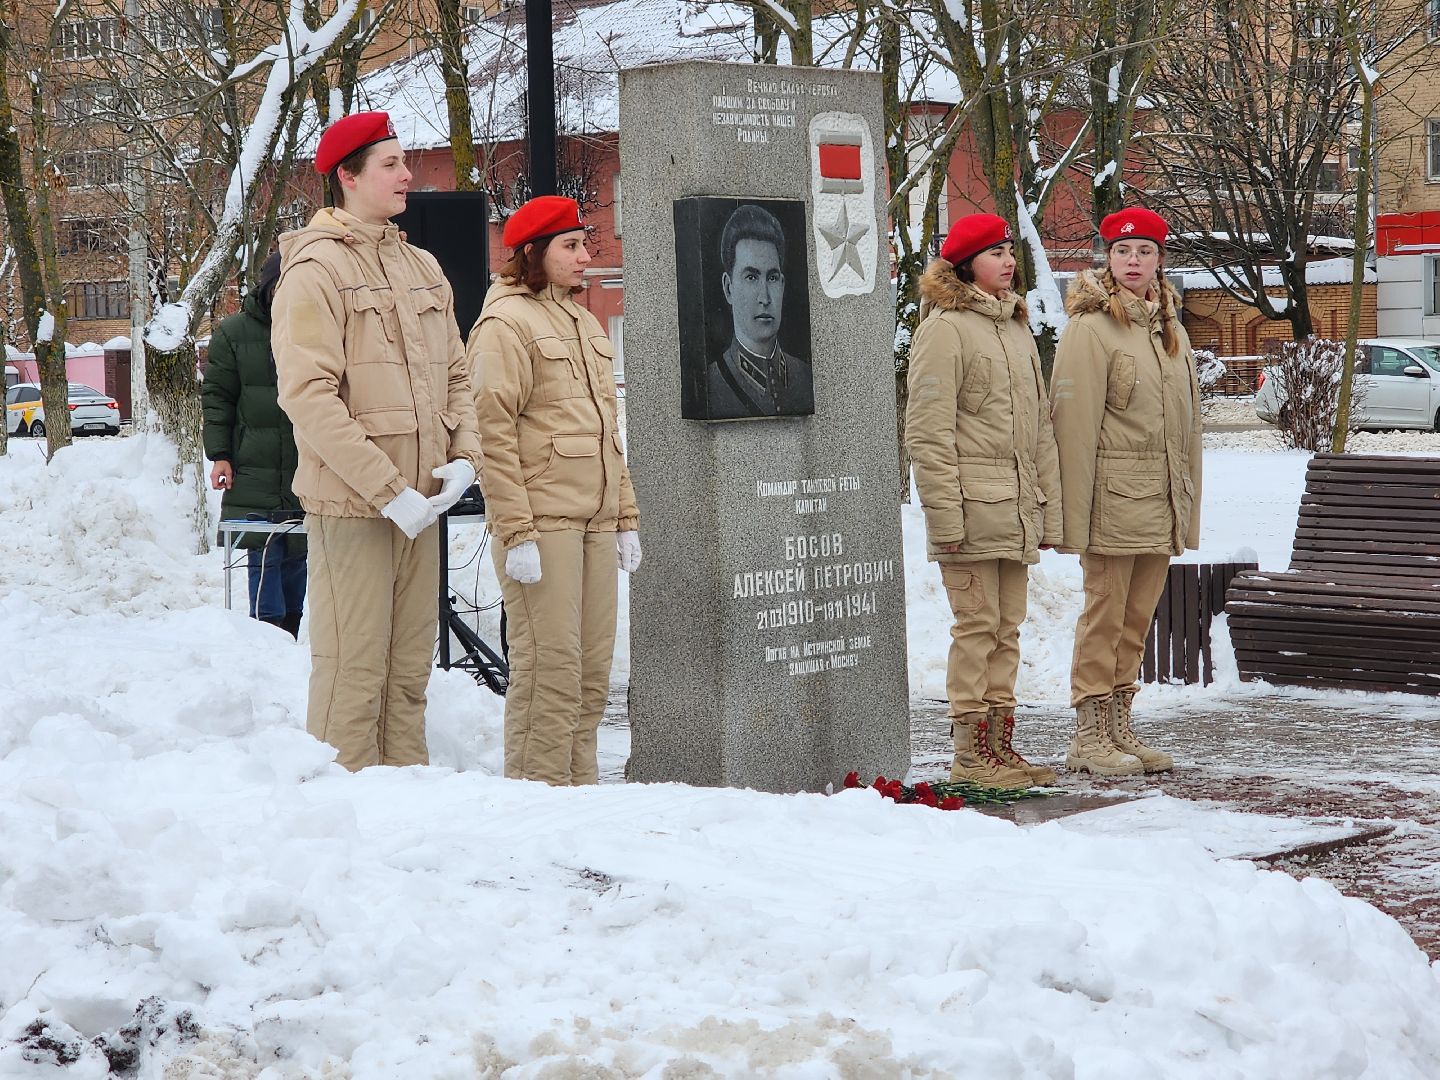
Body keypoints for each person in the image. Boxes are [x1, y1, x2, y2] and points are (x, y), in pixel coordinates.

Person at [271, 111, 482, 772]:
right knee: (352, 676)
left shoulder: (422, 265)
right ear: (348, 176)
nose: (406, 175)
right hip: (356, 508)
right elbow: (308, 397)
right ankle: (347, 833)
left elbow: (457, 373)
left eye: (403, 161)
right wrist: (388, 490)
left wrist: (465, 457)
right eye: (389, 164)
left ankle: (407, 822)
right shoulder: (314, 270)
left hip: (421, 507)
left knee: (407, 675)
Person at [468, 195, 641, 786]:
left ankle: (580, 796)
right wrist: (515, 532)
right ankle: (539, 802)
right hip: (543, 524)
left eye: (583, 243)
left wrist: (625, 516)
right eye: (570, 246)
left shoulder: (583, 321)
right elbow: (492, 435)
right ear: (532, 254)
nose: (585, 256)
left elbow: (606, 431)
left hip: (593, 520)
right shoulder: (504, 325)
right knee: (550, 672)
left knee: (592, 672)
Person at [906, 213, 1063, 789]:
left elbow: (1040, 430)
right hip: (970, 509)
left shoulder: (1016, 327)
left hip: (1015, 508)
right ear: (966, 264)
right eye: (994, 252)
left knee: (1007, 630)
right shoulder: (945, 328)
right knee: (976, 629)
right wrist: (945, 516)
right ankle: (970, 754)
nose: (1007, 260)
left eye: (1008, 250)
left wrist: (1048, 510)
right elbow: (927, 431)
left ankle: (1000, 748)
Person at [1049, 206, 1202, 776]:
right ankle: (1089, 736)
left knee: (1136, 620)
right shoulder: (1091, 328)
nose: (1133, 261)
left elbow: (1188, 431)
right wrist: (1073, 515)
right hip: (1111, 504)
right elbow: (1074, 426)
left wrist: (1185, 508)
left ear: (1161, 259)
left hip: (1159, 502)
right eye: (1122, 251)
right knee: (1104, 617)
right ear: (1107, 259)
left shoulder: (1170, 330)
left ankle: (1120, 727)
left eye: (1144, 252)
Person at [202, 251, 306, 638]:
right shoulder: (233, 333)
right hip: (253, 465)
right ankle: (267, 637)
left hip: (304, 465)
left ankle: (290, 634)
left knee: (299, 553)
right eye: (281, 286)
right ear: (267, 287)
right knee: (264, 553)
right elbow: (217, 398)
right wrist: (221, 456)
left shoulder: (314, 327)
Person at [705, 203, 812, 419]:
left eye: (772, 278)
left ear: (781, 285)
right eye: (751, 277)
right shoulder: (711, 385)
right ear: (728, 288)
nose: (765, 297)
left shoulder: (805, 376)